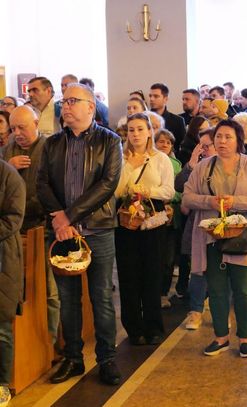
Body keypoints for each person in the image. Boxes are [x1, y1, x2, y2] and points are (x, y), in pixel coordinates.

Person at [36, 83, 122, 385]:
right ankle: (73, 359)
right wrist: (61, 220)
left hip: (98, 229)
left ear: (90, 107)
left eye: (73, 101)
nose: (66, 106)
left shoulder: (110, 141)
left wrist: (68, 216)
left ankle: (107, 359)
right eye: (64, 101)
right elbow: (42, 183)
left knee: (102, 297)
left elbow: (108, 184)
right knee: (68, 298)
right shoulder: (52, 143)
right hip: (62, 233)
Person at [183, 119, 247, 357]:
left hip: (242, 237)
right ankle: (221, 337)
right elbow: (187, 197)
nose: (222, 141)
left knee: (243, 288)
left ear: (238, 140)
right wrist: (209, 202)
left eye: (228, 137)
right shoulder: (204, 166)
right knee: (217, 289)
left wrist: (235, 202)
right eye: (219, 137)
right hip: (212, 237)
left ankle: (245, 339)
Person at [114, 113, 175, 345]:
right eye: (131, 130)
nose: (136, 134)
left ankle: (153, 326)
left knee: (152, 274)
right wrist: (130, 167)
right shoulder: (121, 158)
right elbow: (116, 191)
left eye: (140, 129)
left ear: (150, 131)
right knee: (129, 275)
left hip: (152, 220)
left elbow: (169, 191)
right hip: (127, 220)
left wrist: (147, 191)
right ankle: (134, 328)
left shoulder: (161, 159)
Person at [4, 106, 60, 342]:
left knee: (48, 289)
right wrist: (8, 165)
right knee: (17, 289)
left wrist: (21, 209)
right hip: (13, 232)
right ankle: (24, 342)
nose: (17, 133)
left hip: (42, 227)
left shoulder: (50, 149)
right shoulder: (7, 151)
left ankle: (50, 341)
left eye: (22, 127)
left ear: (36, 124)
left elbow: (52, 190)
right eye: (13, 128)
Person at [175, 129, 216, 330]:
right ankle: (196, 311)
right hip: (198, 224)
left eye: (206, 146)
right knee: (198, 269)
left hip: (223, 224)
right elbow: (179, 185)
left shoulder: (231, 165)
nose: (202, 150)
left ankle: (219, 311)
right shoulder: (198, 167)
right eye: (200, 146)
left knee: (221, 271)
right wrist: (191, 163)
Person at [0, 159, 25, 407]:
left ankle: (2, 384)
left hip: (3, 259)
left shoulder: (9, 176)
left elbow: (13, 218)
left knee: (1, 326)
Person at [154, 129, 184, 308]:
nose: (164, 145)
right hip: (153, 214)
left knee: (169, 259)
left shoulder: (176, 164)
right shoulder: (149, 161)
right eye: (161, 141)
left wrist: (169, 197)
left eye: (168, 142)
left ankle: (163, 293)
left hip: (172, 219)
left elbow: (181, 191)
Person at [149, 83, 186, 157]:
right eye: (150, 96)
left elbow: (182, 147)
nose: (151, 99)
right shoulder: (144, 119)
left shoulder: (177, 121)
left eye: (156, 96)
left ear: (165, 99)